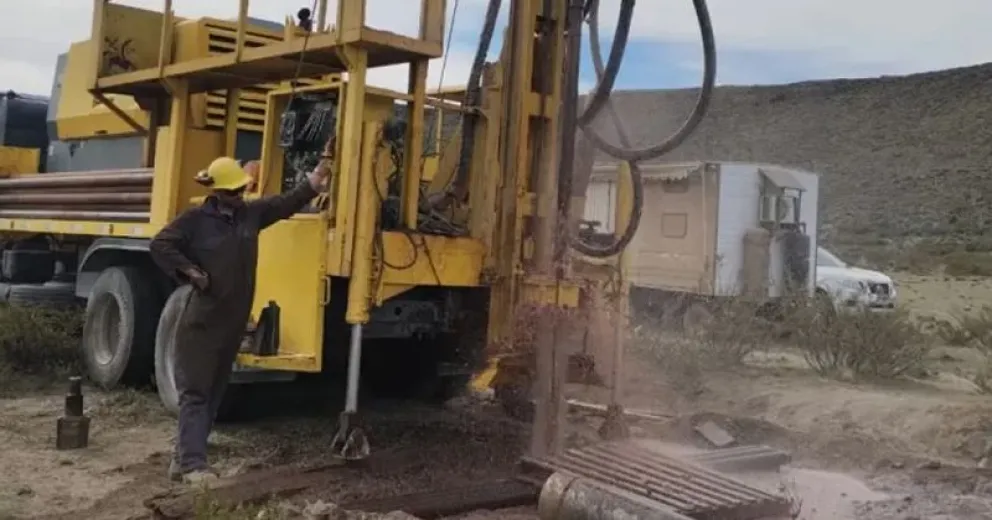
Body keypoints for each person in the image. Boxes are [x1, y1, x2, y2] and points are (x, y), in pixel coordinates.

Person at [149, 156, 328, 484]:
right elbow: (160, 244)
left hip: (231, 323)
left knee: (215, 393)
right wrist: (189, 271)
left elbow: (286, 203)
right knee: (197, 393)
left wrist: (318, 175)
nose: (239, 196)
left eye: (241, 190)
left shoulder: (250, 215)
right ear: (216, 191)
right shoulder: (194, 221)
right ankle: (192, 466)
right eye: (232, 192)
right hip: (201, 323)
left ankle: (183, 459)